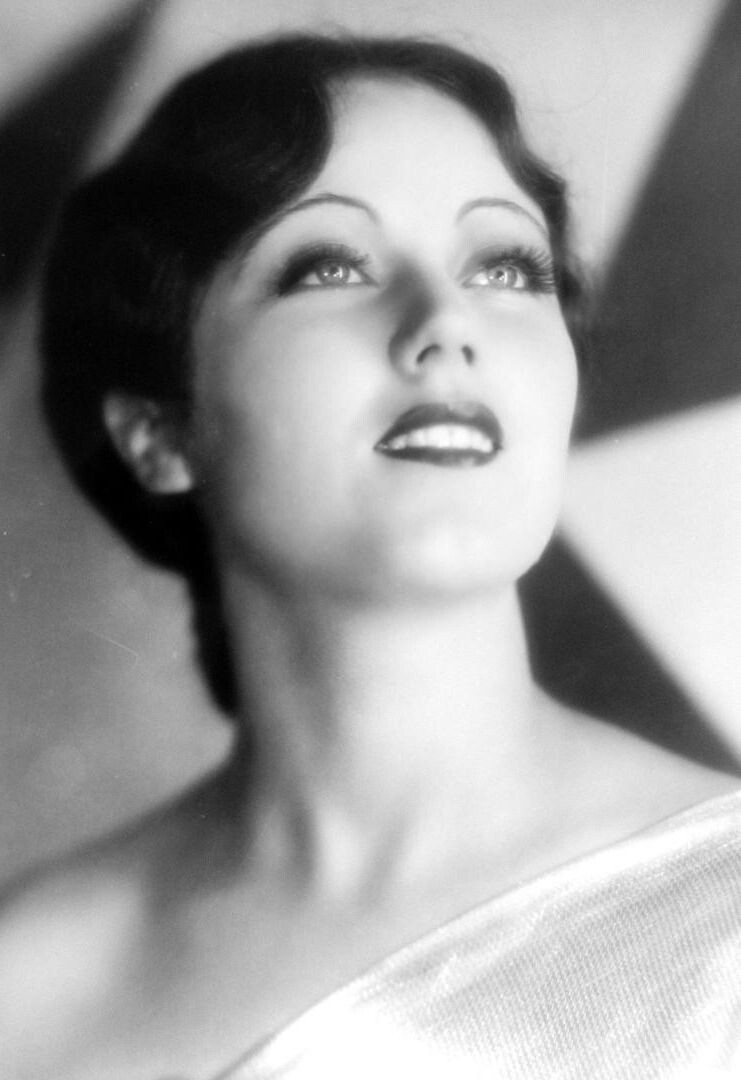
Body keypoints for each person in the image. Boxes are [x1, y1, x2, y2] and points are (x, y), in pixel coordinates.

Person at [1, 33, 739, 1080]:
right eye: (330, 267)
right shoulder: (27, 992)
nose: (447, 324)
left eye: (506, 267)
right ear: (159, 432)